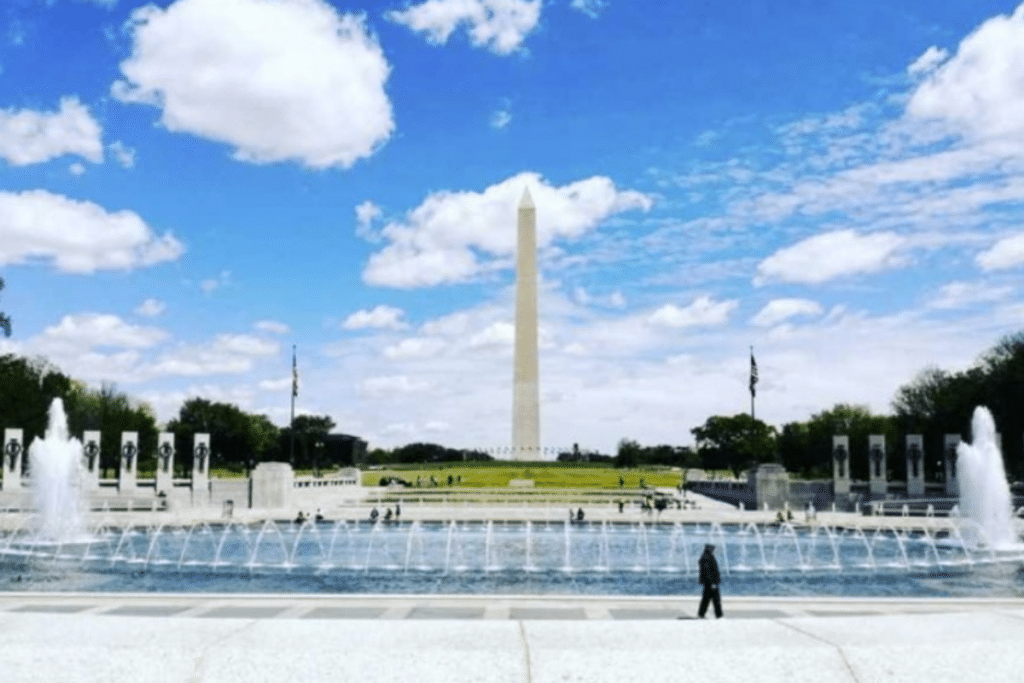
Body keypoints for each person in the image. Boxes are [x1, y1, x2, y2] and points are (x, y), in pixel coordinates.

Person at [697, 544, 723, 619]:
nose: (714, 551)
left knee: (706, 599)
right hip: (711, 583)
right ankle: (719, 615)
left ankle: (701, 614)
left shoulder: (707, 556)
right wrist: (712, 583)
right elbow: (707, 572)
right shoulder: (707, 557)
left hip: (709, 583)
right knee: (715, 600)